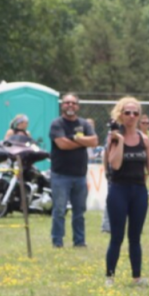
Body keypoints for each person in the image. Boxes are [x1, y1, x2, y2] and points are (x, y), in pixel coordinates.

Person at [103, 96, 149, 287]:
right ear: (120, 115)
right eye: (127, 112)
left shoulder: (144, 139)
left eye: (135, 113)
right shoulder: (113, 138)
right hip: (118, 190)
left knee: (135, 237)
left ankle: (137, 277)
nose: (131, 116)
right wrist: (120, 140)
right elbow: (115, 163)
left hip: (139, 191)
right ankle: (110, 276)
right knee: (117, 236)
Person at [49, 93, 99, 248]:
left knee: (79, 212)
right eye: (67, 103)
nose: (70, 105)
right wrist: (83, 142)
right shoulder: (56, 124)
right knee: (59, 210)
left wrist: (75, 139)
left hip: (80, 176)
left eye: (73, 103)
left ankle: (79, 241)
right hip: (60, 175)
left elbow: (95, 141)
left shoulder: (84, 124)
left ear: (78, 106)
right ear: (62, 105)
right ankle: (57, 241)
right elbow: (62, 144)